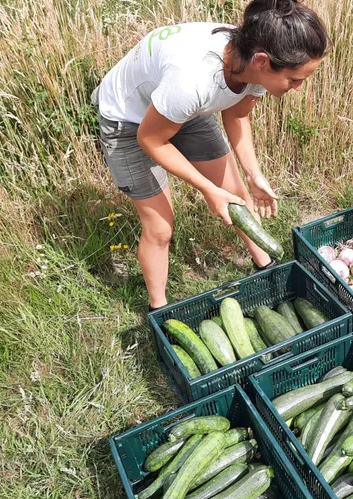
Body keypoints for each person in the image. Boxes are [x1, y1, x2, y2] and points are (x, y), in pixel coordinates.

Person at [92, 0, 330, 311]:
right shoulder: (192, 80)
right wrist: (208, 189)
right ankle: (159, 310)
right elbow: (151, 140)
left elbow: (237, 114)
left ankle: (265, 263)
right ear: (261, 61)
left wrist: (254, 175)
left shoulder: (254, 61)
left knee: (236, 194)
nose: (298, 87)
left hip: (180, 108)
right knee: (160, 227)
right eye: (294, 79)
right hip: (128, 120)